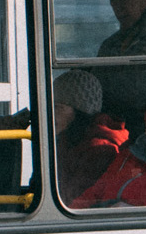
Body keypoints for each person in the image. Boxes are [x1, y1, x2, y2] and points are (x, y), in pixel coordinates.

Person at [51, 69, 126, 204]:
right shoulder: (67, 139)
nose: (52, 115)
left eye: (58, 108)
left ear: (80, 112)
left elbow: (72, 199)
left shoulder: (99, 149)